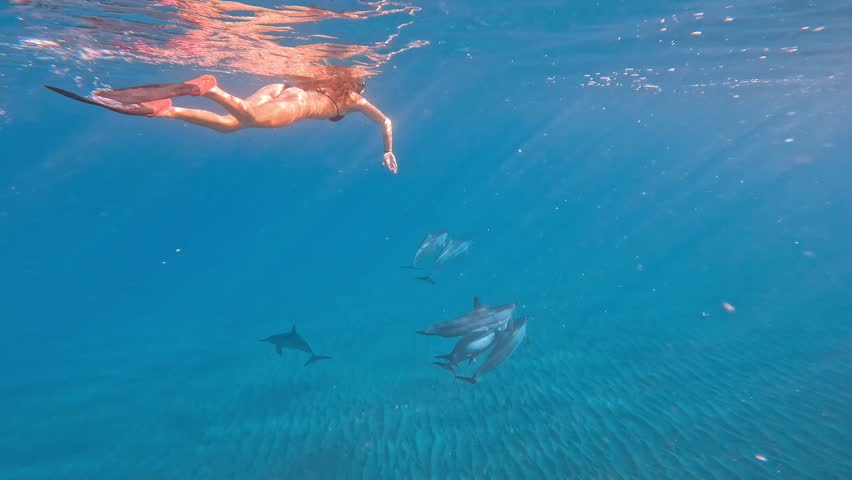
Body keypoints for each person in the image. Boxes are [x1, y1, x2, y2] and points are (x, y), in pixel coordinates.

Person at [46, 74, 398, 174]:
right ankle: (210, 89)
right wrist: (388, 151)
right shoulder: (353, 101)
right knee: (246, 117)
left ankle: (166, 110)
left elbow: (388, 121)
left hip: (281, 90)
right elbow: (386, 120)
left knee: (230, 125)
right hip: (295, 108)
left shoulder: (320, 80)